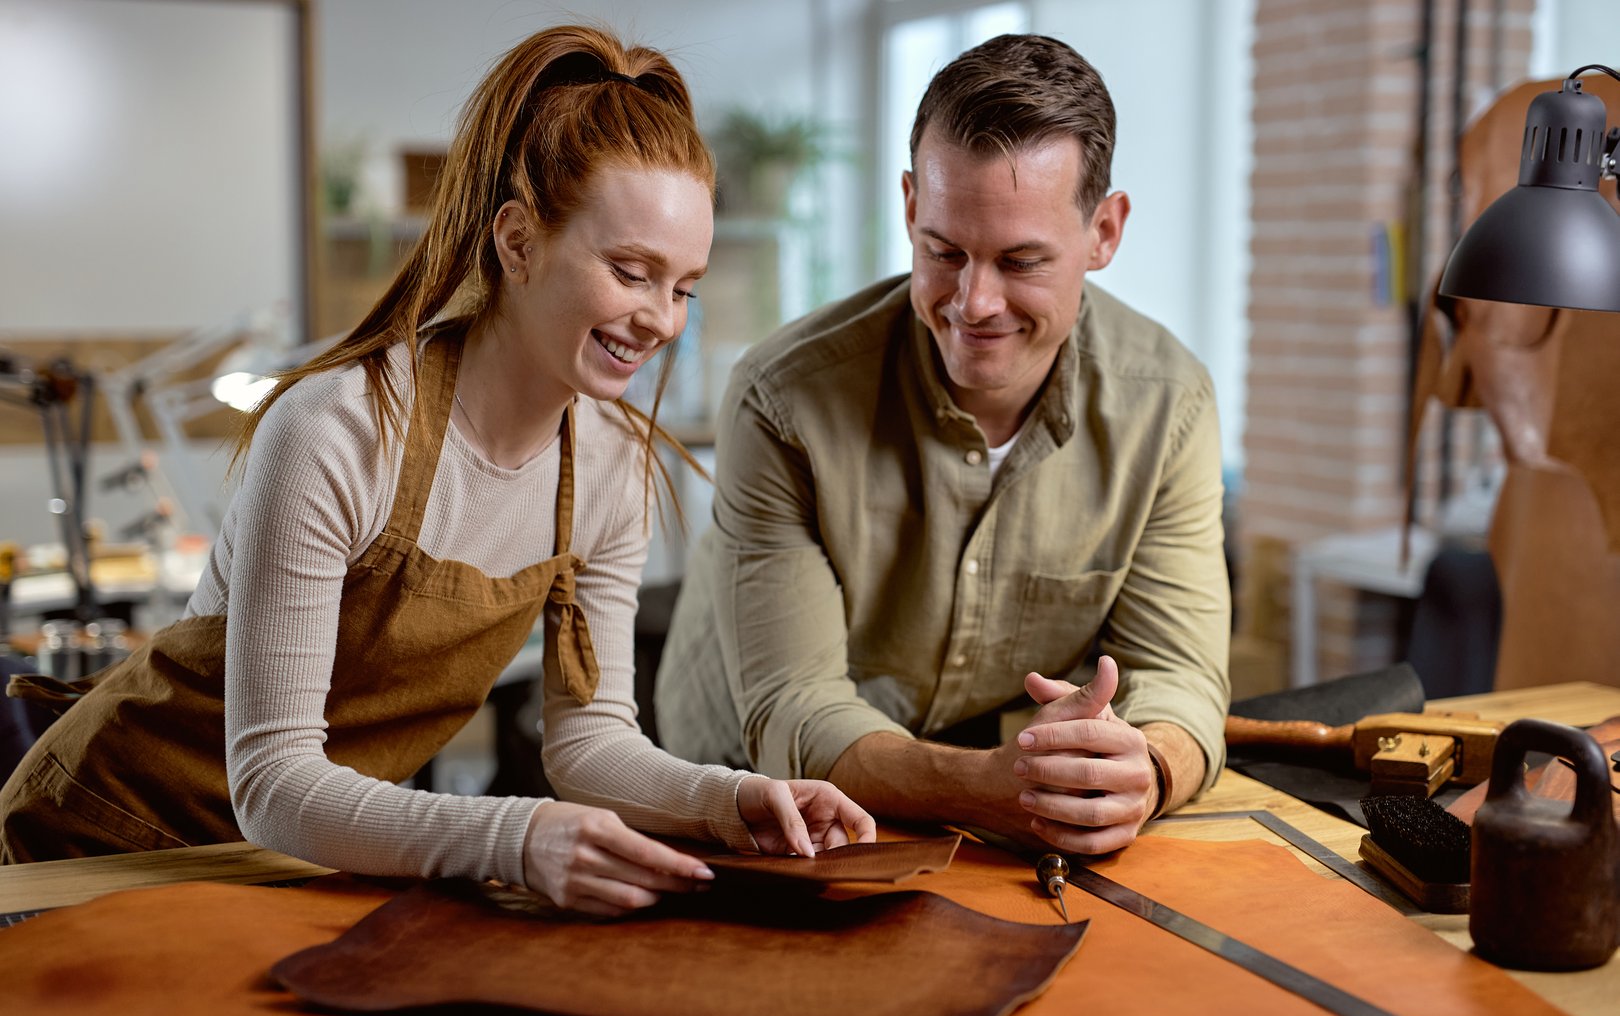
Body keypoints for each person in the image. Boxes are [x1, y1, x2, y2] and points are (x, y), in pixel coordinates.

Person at [0, 25, 874, 915]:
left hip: (292, 868)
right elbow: (273, 779)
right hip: (100, 846)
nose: (662, 320)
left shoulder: (613, 468)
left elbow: (590, 742)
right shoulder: (338, 430)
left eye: (684, 287)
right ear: (518, 242)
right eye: (630, 272)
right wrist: (513, 836)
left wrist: (731, 800)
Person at [656, 33, 1229, 856]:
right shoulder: (784, 400)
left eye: (1021, 261)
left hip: (984, 808)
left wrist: (1149, 770)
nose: (974, 302)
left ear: (1104, 231)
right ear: (909, 206)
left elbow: (1179, 675)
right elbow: (793, 708)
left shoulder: (1168, 406)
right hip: (740, 802)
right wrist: (992, 786)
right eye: (944, 252)